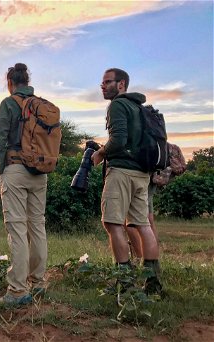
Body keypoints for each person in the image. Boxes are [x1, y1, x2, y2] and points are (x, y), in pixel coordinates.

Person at [91, 68, 162, 294]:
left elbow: (119, 140)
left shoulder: (118, 105)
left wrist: (100, 152)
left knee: (112, 223)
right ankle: (153, 284)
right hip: (142, 174)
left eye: (107, 82)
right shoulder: (138, 107)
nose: (103, 86)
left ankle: (125, 282)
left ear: (121, 84)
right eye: (102, 82)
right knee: (143, 224)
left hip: (122, 171)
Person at [0, 63, 48, 305]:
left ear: (10, 83)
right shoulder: (41, 105)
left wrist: (1, 169)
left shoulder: (8, 103)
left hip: (15, 168)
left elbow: (1, 139)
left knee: (17, 229)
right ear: (28, 81)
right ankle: (38, 282)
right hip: (40, 171)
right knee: (37, 226)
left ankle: (17, 290)